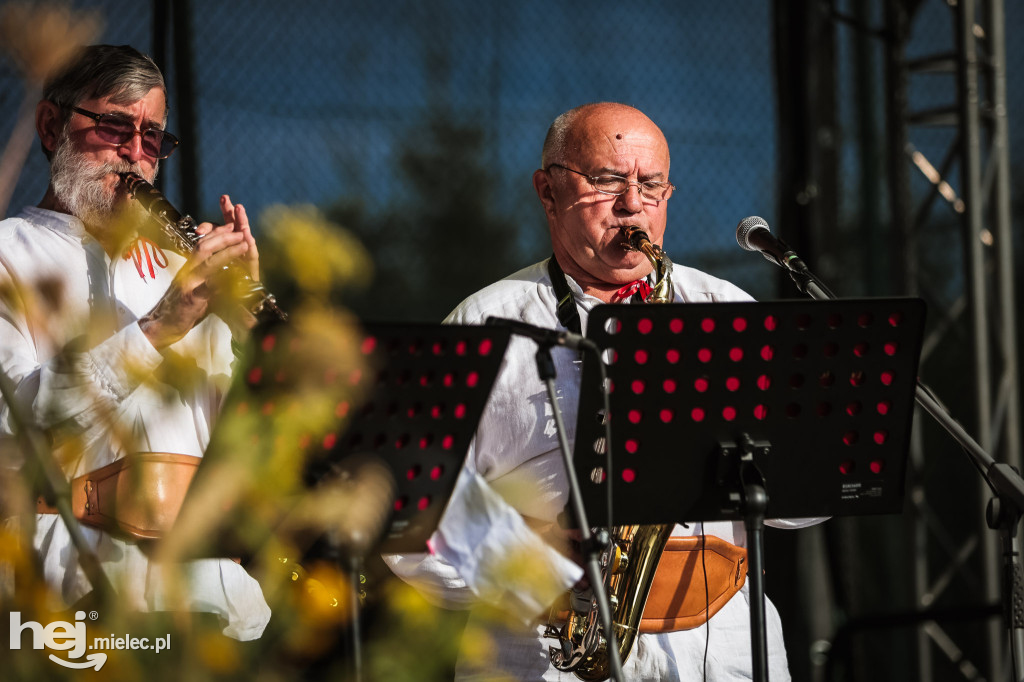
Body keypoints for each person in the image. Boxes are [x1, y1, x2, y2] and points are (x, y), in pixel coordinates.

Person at [385, 102, 818, 680]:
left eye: (652, 184)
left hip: (727, 645)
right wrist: (528, 560)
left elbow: (801, 508)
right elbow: (410, 519)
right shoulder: (483, 322)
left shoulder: (725, 309)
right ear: (548, 191)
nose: (633, 204)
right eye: (608, 180)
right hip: (540, 651)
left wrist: (814, 432)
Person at [0, 44, 270, 640]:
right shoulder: (9, 255)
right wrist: (161, 327)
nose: (134, 154)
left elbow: (251, 458)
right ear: (51, 126)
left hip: (214, 609)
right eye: (116, 126)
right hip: (73, 604)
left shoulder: (182, 268)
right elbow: (18, 441)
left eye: (153, 140)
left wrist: (253, 336)